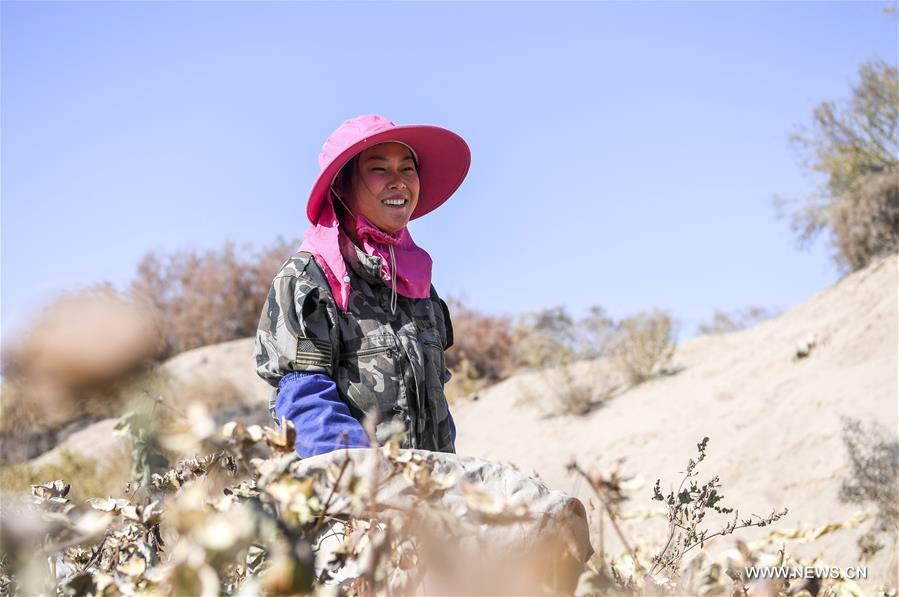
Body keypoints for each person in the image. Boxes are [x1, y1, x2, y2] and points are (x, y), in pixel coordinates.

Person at [254, 114, 470, 458]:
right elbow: (305, 401)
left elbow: (435, 406)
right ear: (340, 185)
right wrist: (369, 489)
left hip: (427, 496)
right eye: (379, 169)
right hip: (356, 496)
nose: (398, 182)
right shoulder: (309, 278)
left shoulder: (417, 284)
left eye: (408, 169)